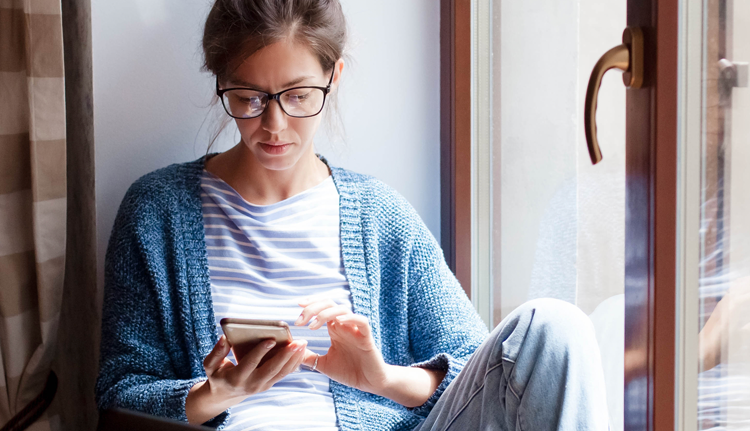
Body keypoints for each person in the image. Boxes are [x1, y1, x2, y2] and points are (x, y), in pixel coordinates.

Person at [94, 0, 609, 429]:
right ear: (220, 85)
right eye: (249, 98)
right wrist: (214, 393)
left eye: (298, 96)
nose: (274, 124)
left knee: (556, 325)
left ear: (333, 77)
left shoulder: (380, 215)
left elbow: (477, 370)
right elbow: (119, 393)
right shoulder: (157, 212)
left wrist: (379, 377)